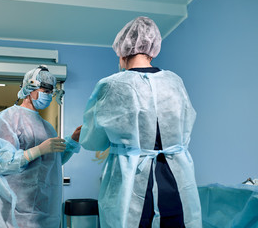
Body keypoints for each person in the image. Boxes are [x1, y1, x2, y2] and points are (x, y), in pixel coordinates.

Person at [79, 16, 202, 228]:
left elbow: (93, 142)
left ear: (122, 51)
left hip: (133, 186)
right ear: (152, 48)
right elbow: (186, 127)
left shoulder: (111, 85)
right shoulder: (174, 81)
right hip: (175, 184)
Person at [0, 66, 81, 228]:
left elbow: (53, 163)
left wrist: (73, 141)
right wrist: (38, 150)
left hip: (44, 212)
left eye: (51, 92)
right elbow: (2, 162)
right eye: (45, 91)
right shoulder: (11, 118)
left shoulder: (47, 127)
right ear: (30, 88)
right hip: (15, 212)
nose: (49, 96)